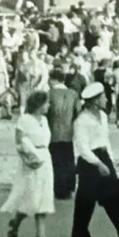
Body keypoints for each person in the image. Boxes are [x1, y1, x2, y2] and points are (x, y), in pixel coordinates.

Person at [71, 81, 119, 237]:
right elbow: (82, 147)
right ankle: (79, 231)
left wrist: (109, 160)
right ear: (95, 100)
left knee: (112, 195)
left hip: (103, 156)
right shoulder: (82, 120)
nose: (106, 99)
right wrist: (98, 164)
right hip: (89, 160)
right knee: (86, 198)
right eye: (103, 96)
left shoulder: (103, 116)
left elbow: (105, 140)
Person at [0, 90, 56, 237]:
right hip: (31, 160)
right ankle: (16, 222)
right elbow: (19, 141)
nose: (48, 106)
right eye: (46, 103)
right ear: (38, 104)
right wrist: (29, 157)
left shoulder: (44, 120)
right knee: (31, 195)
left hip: (45, 158)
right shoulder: (24, 120)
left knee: (44, 196)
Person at [46, 68, 78, 200]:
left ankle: (59, 188)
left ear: (53, 79)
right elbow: (77, 113)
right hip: (69, 132)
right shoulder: (73, 94)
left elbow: (45, 113)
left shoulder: (49, 94)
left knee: (56, 161)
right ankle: (69, 187)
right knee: (69, 160)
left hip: (52, 131)